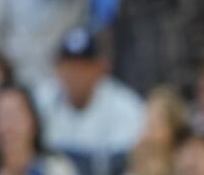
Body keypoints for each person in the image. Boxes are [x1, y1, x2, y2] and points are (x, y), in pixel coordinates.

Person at [34, 28, 147, 158]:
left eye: (84, 66)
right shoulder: (41, 101)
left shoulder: (126, 107)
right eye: (70, 65)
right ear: (58, 69)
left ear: (100, 68)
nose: (76, 74)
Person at [123, 85, 191, 175]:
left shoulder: (188, 164)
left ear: (175, 127)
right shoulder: (137, 157)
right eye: (148, 123)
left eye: (158, 123)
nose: (150, 132)